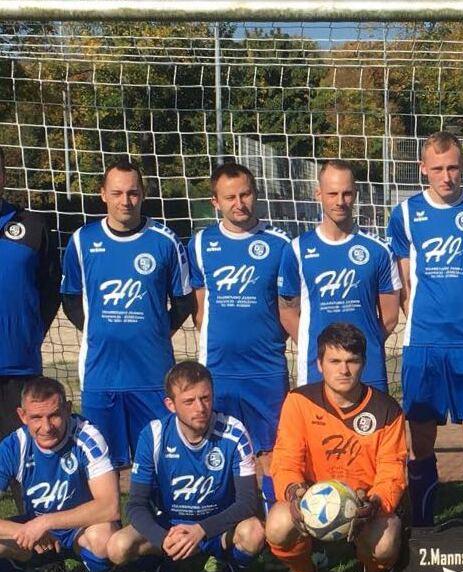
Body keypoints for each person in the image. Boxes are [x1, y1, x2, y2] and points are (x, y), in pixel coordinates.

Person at [387, 132, 463, 526]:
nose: (446, 176)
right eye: (437, 168)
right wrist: (423, 318)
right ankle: (423, 526)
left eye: (453, 167)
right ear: (423, 169)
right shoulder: (405, 214)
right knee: (420, 438)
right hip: (423, 342)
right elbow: (403, 281)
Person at [60, 159, 194, 482]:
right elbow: (70, 299)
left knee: (159, 467)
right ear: (102, 194)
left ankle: (155, 518)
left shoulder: (165, 240)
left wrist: (154, 332)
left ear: (143, 194)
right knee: (104, 471)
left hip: (152, 376)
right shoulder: (82, 240)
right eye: (117, 193)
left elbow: (183, 301)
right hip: (101, 376)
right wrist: (102, 330)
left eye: (132, 193)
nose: (125, 201)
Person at [265, 323, 407, 572]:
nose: (343, 370)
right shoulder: (299, 402)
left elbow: (392, 472)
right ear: (319, 364)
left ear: (363, 363)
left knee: (386, 541)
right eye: (334, 361)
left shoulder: (387, 410)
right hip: (312, 504)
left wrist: (375, 503)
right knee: (278, 525)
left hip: (365, 506)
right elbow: (285, 461)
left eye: (352, 361)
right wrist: (294, 493)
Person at [106, 361, 264, 572]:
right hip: (172, 528)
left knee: (254, 532)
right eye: (189, 401)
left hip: (218, 527)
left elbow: (248, 501)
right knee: (117, 547)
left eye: (205, 398)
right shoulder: (153, 435)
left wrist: (201, 530)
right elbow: (135, 505)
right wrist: (164, 538)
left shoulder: (233, 431)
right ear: (171, 404)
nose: (200, 408)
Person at [186, 162, 292, 508]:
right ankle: (224, 524)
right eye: (230, 197)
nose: (239, 203)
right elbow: (200, 310)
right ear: (215, 201)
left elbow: (289, 306)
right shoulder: (200, 244)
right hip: (218, 369)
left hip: (266, 369)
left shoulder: (280, 244)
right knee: (217, 449)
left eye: (245, 194)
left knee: (272, 452)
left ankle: (277, 523)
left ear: (255, 194)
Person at [0, 377, 119, 572]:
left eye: (54, 415)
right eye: (36, 418)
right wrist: (24, 530)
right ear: (22, 416)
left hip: (80, 529)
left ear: (67, 408)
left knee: (105, 537)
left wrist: (45, 522)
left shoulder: (87, 436)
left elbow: (110, 507)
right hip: (38, 536)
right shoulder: (14, 446)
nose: (46, 427)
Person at [278, 160, 400, 392]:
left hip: (367, 368)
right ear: (319, 194)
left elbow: (390, 317)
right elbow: (287, 312)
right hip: (316, 369)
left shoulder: (378, 250)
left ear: (355, 194)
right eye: (332, 194)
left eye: (346, 193)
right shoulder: (296, 249)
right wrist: (322, 353)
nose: (340, 201)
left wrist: (358, 351)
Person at [0, 148, 61, 439]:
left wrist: (30, 332)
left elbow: (51, 290)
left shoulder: (32, 226)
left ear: (4, 176)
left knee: (21, 457)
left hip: (20, 367)